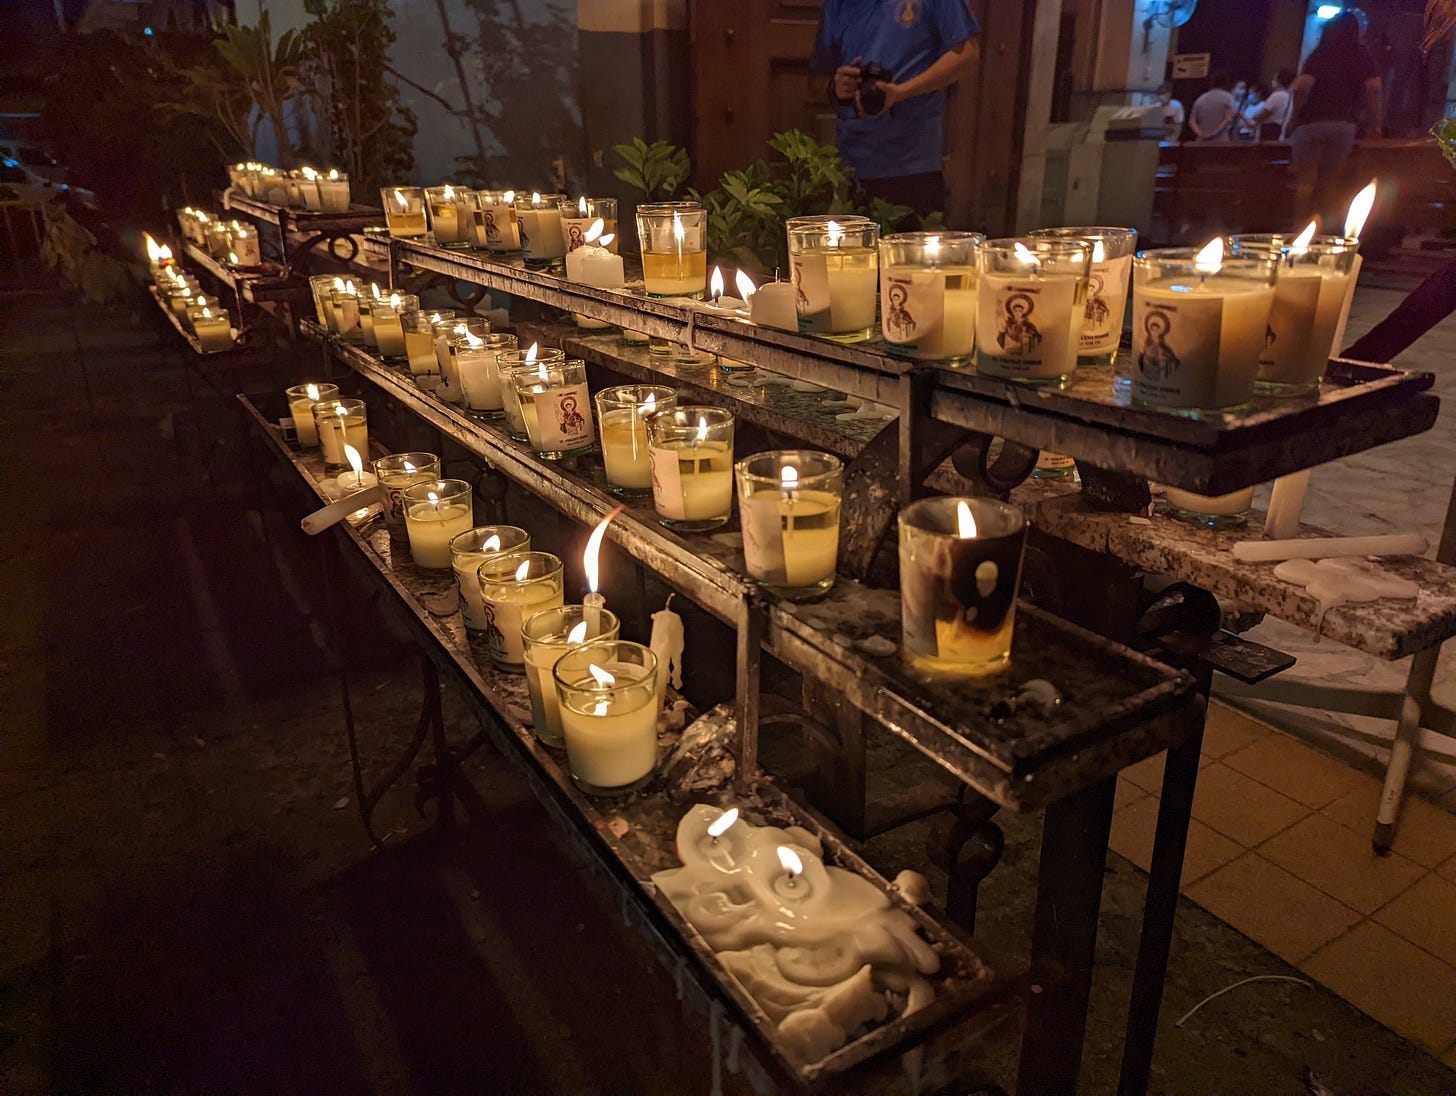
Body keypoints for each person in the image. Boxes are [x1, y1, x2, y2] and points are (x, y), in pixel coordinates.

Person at [812, 0, 981, 223]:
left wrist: (900, 92)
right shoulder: (837, 6)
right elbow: (816, 79)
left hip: (912, 163)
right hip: (849, 165)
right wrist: (836, 87)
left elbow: (967, 53)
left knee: (911, 256)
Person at [1285, 12, 1383, 227]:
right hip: (1343, 124)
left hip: (1310, 123)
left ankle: (1299, 227)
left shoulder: (1318, 56)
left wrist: (1293, 117)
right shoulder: (1362, 57)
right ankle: (1323, 229)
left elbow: (1302, 88)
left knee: (1305, 183)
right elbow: (1374, 90)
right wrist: (1376, 122)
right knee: (1331, 182)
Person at [1188, 73, 1238, 142]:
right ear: (1226, 84)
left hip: (1201, 142)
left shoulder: (1200, 99)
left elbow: (1192, 121)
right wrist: (1213, 134)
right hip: (1220, 141)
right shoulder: (1229, 98)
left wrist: (1200, 134)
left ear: (1211, 83)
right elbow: (1228, 119)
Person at [1249, 68, 1295, 142]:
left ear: (1280, 81)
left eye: (1274, 79)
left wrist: (1255, 118)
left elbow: (1265, 111)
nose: (1272, 82)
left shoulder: (1276, 95)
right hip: (1280, 131)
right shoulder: (1289, 96)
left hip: (1269, 130)